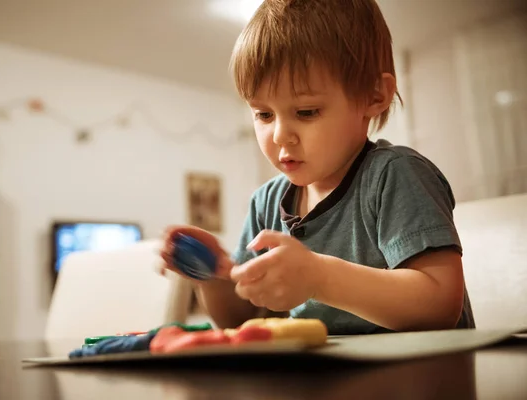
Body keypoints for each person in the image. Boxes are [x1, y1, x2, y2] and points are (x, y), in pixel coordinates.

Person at [159, 0, 475, 335]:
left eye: (306, 111)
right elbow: (241, 322)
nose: (280, 135)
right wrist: (214, 275)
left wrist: (319, 278)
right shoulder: (266, 203)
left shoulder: (394, 176)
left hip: (423, 379)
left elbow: (439, 306)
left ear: (374, 95)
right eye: (264, 114)